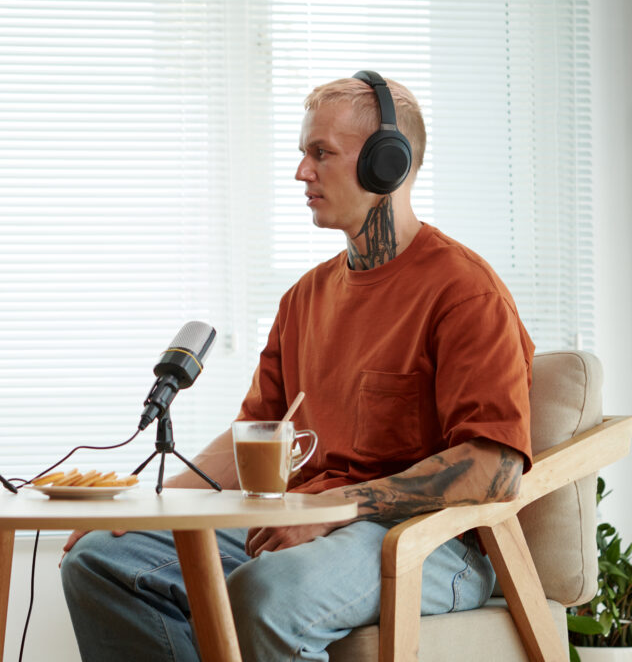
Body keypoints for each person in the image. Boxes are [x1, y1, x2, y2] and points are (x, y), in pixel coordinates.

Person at [59, 73, 534, 661]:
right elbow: (251, 440)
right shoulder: (304, 299)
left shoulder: (465, 292)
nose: (301, 173)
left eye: (320, 153)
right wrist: (151, 505)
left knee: (268, 591)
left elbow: (494, 465)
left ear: (388, 164)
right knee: (101, 560)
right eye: (302, 154)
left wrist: (334, 512)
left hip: (428, 542)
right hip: (309, 521)